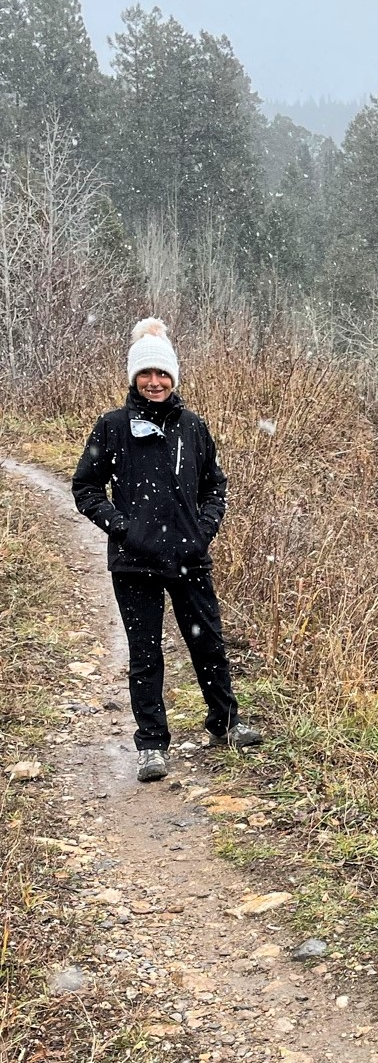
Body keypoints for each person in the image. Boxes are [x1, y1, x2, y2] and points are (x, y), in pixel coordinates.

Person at [71, 318, 262, 783]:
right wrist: (123, 529)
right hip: (134, 563)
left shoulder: (193, 427)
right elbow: (86, 487)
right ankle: (152, 746)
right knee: (145, 654)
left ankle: (225, 724)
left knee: (208, 645)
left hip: (189, 559)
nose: (154, 383)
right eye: (146, 375)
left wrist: (203, 530)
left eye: (162, 375)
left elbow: (216, 486)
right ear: (134, 377)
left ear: (173, 377)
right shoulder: (113, 427)